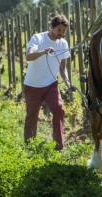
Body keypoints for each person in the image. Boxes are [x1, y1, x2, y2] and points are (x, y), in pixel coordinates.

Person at [23, 15, 74, 150]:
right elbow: (28, 56)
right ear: (51, 27)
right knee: (32, 117)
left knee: (59, 110)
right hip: (33, 84)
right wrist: (43, 52)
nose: (61, 34)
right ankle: (30, 146)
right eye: (59, 30)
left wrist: (68, 83)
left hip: (51, 84)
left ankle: (58, 146)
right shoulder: (38, 38)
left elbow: (62, 68)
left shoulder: (63, 43)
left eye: (63, 31)